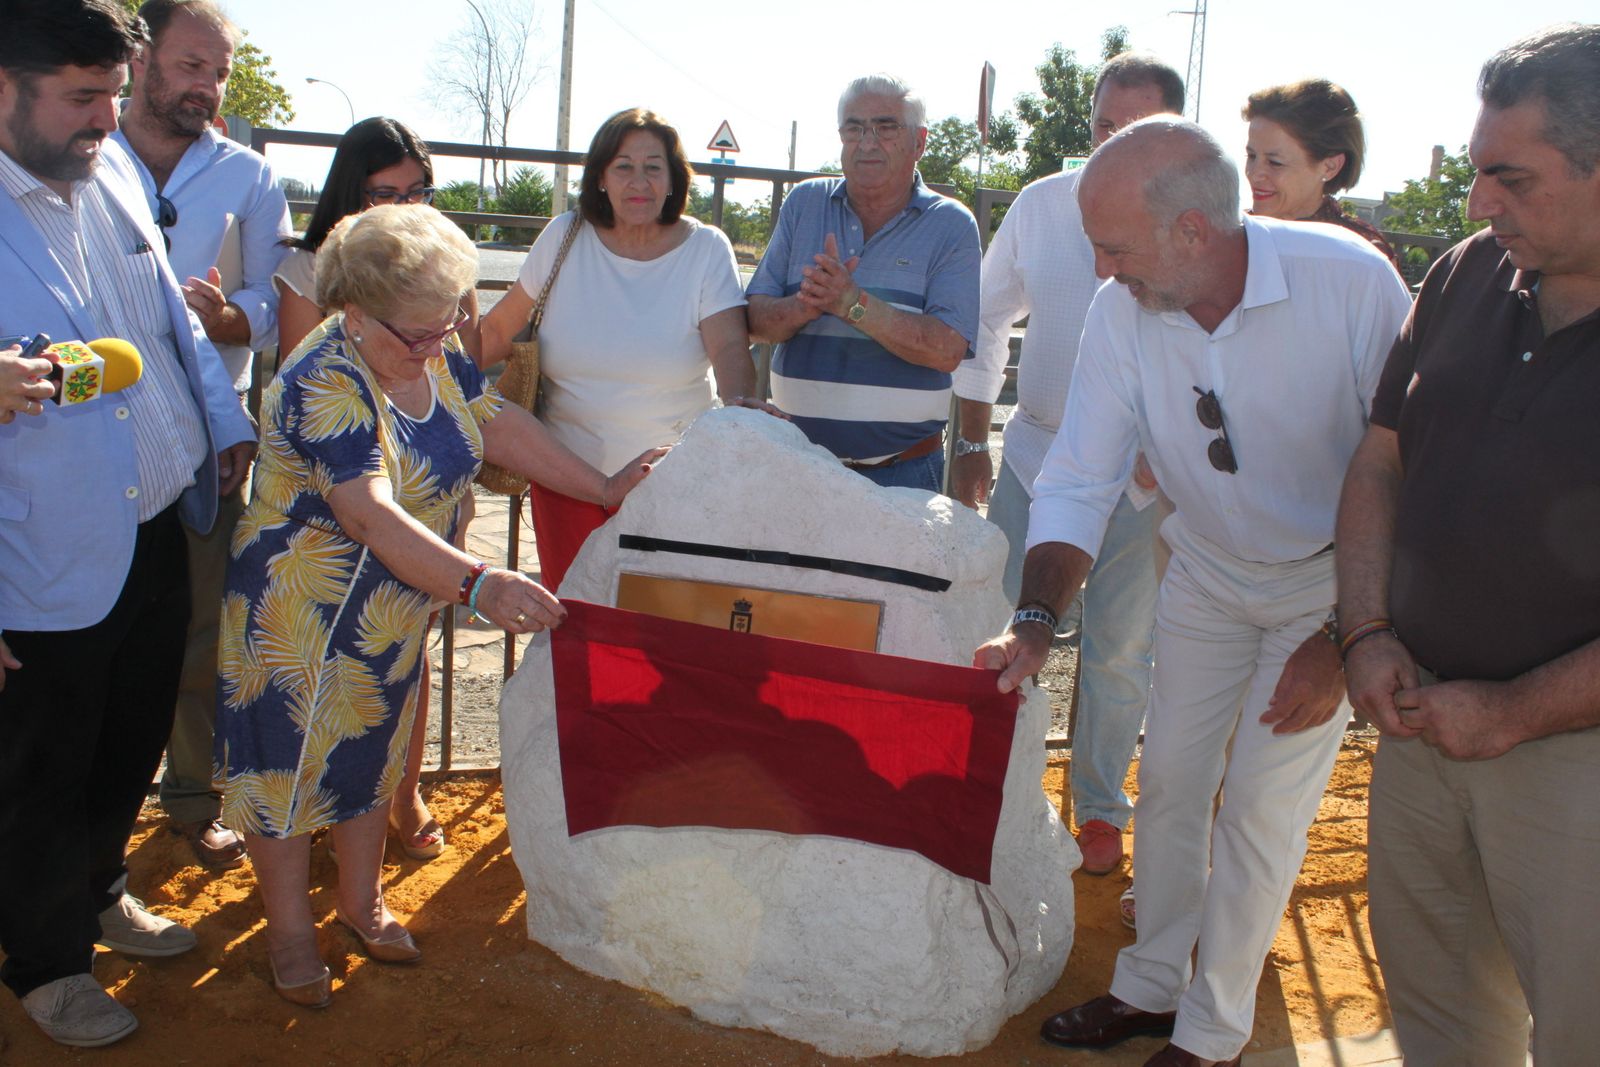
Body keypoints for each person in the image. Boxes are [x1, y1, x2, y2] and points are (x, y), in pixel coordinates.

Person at [973, 118, 1411, 1067]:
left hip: (1332, 585)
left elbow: (1418, 467)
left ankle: (1213, 1033)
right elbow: (1082, 474)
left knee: (1258, 806)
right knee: (1169, 781)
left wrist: (1348, 632)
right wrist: (1038, 620)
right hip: (1208, 571)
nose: (1099, 269)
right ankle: (1149, 983)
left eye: (1114, 245)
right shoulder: (1122, 314)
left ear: (1193, 233)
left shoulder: (1351, 283)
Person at [214, 204, 665, 1009]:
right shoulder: (325, 378)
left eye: (448, 322)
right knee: (286, 776)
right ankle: (289, 933)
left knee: (373, 760)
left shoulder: (429, 346)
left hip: (390, 611)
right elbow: (368, 512)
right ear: (352, 311)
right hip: (299, 619)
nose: (440, 343)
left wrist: (602, 486)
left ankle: (362, 903)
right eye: (419, 332)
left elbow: (491, 419)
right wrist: (479, 583)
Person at [1336, 23, 1600, 1066]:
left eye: (1511, 178)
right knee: (1440, 1027)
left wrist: (1513, 710)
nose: (1478, 202)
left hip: (1570, 766)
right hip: (1420, 729)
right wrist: (1363, 632)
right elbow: (1378, 463)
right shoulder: (1461, 275)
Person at [0, 0, 258, 1048]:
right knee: (41, 768)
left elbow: (168, 317)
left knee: (128, 740)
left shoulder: (105, 167)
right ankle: (45, 963)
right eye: (80, 96)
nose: (107, 118)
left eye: (114, 91)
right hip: (39, 555)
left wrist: (224, 424)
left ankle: (99, 890)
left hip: (158, 521)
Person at [952, 51, 1184, 880]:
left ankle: (1096, 808)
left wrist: (1171, 456)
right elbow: (984, 321)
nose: (1112, 144)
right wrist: (973, 441)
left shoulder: (1199, 221)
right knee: (1010, 635)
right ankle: (1003, 796)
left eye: (1136, 130)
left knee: (1121, 652)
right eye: (1101, 128)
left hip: (1147, 486)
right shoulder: (1045, 205)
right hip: (1038, 463)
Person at [112, 0, 293, 872]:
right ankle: (80, 806)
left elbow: (271, 304)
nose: (206, 87)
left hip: (205, 440)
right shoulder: (78, 152)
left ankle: (190, 796)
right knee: (79, 627)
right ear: (141, 59)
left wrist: (231, 317)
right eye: (190, 66)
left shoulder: (247, 176)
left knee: (195, 625)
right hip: (85, 436)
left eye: (217, 72)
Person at [275, 116, 466, 861]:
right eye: (386, 192)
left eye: (418, 190)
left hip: (418, 503)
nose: (406, 207)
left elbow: (466, 390)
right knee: (322, 675)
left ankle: (397, 791)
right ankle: (319, 808)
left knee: (404, 659)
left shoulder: (438, 268)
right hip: (335, 519)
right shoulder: (311, 280)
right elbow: (323, 417)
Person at [480, 107, 753, 592]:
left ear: (673, 179)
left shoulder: (706, 248)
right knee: (575, 622)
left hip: (671, 487)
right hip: (567, 479)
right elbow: (499, 331)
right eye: (623, 166)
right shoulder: (565, 234)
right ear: (601, 177)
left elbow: (730, 345)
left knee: (658, 632)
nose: (639, 181)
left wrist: (741, 418)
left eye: (654, 166)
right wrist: (422, 372)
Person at [747, 74, 980, 492]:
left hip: (903, 474)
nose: (867, 142)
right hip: (795, 465)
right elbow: (756, 322)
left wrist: (851, 304)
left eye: (886, 127)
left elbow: (947, 349)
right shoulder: (804, 204)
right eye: (853, 128)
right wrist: (806, 305)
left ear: (919, 142)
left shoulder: (951, 224)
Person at [1242, 79, 1400, 270]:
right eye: (1251, 156)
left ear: (1330, 167)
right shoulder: (1227, 239)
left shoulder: (1364, 255)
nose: (1254, 173)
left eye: (1275, 163)